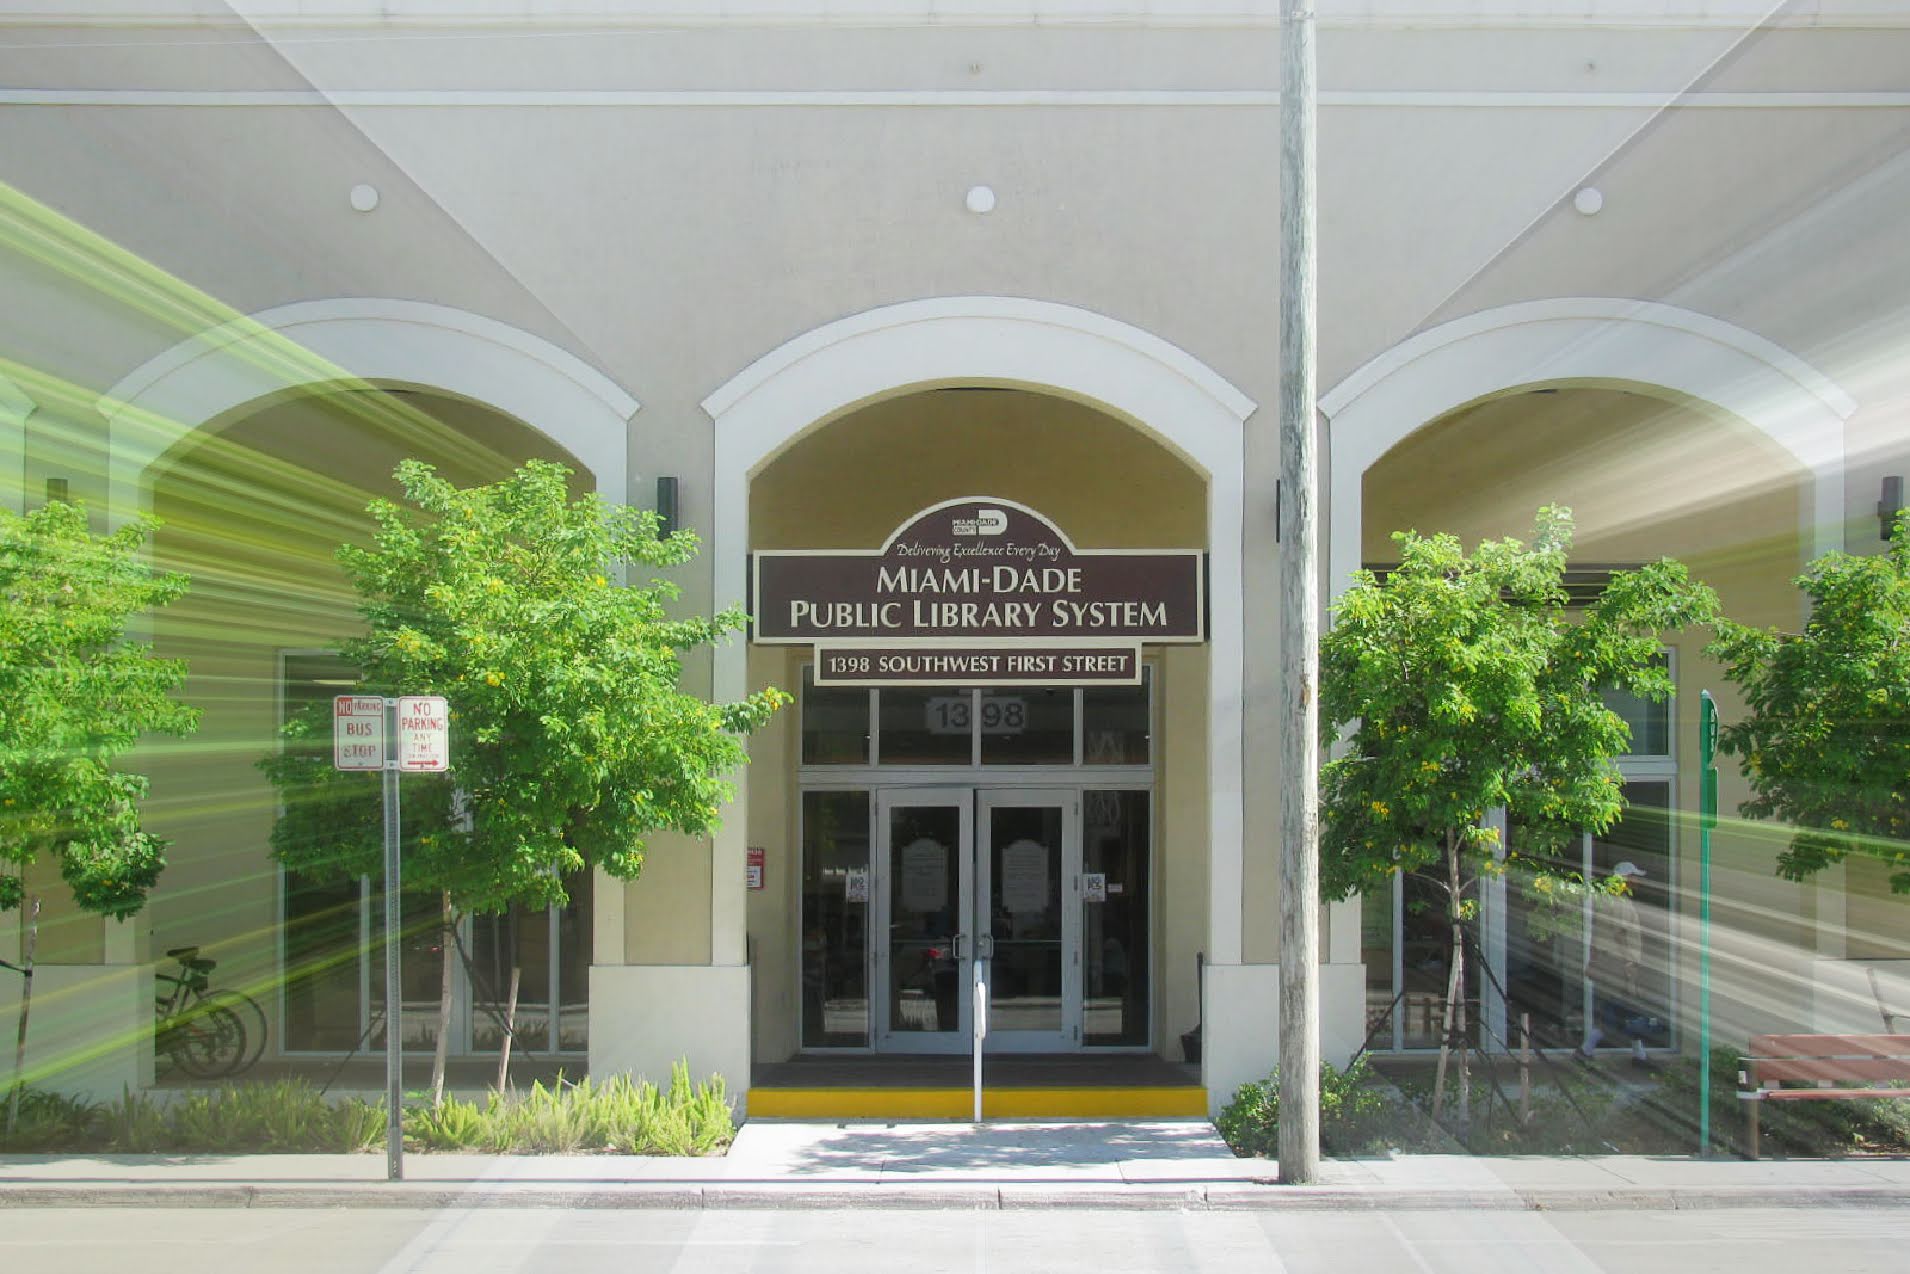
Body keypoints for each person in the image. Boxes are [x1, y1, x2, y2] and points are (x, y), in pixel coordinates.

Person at [1581, 861, 1655, 1068]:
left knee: (1625, 1012)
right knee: (1616, 1011)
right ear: (1624, 879)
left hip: (1610, 963)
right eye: (1634, 876)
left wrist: (1593, 961)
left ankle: (1639, 1055)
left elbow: (1599, 935)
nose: (1637, 881)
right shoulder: (1619, 904)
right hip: (1618, 965)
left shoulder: (1608, 901)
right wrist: (1629, 963)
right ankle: (1586, 1050)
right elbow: (1620, 934)